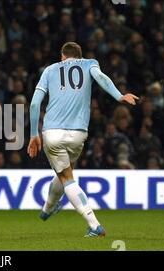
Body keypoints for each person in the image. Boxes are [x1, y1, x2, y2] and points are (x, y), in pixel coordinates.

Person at [28, 42, 139, 237]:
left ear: (63, 56)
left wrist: (33, 135)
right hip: (79, 132)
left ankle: (94, 225)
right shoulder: (89, 64)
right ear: (79, 56)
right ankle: (47, 209)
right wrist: (119, 96)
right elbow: (101, 78)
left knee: (66, 178)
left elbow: (35, 104)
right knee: (64, 172)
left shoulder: (50, 70)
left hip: (52, 133)